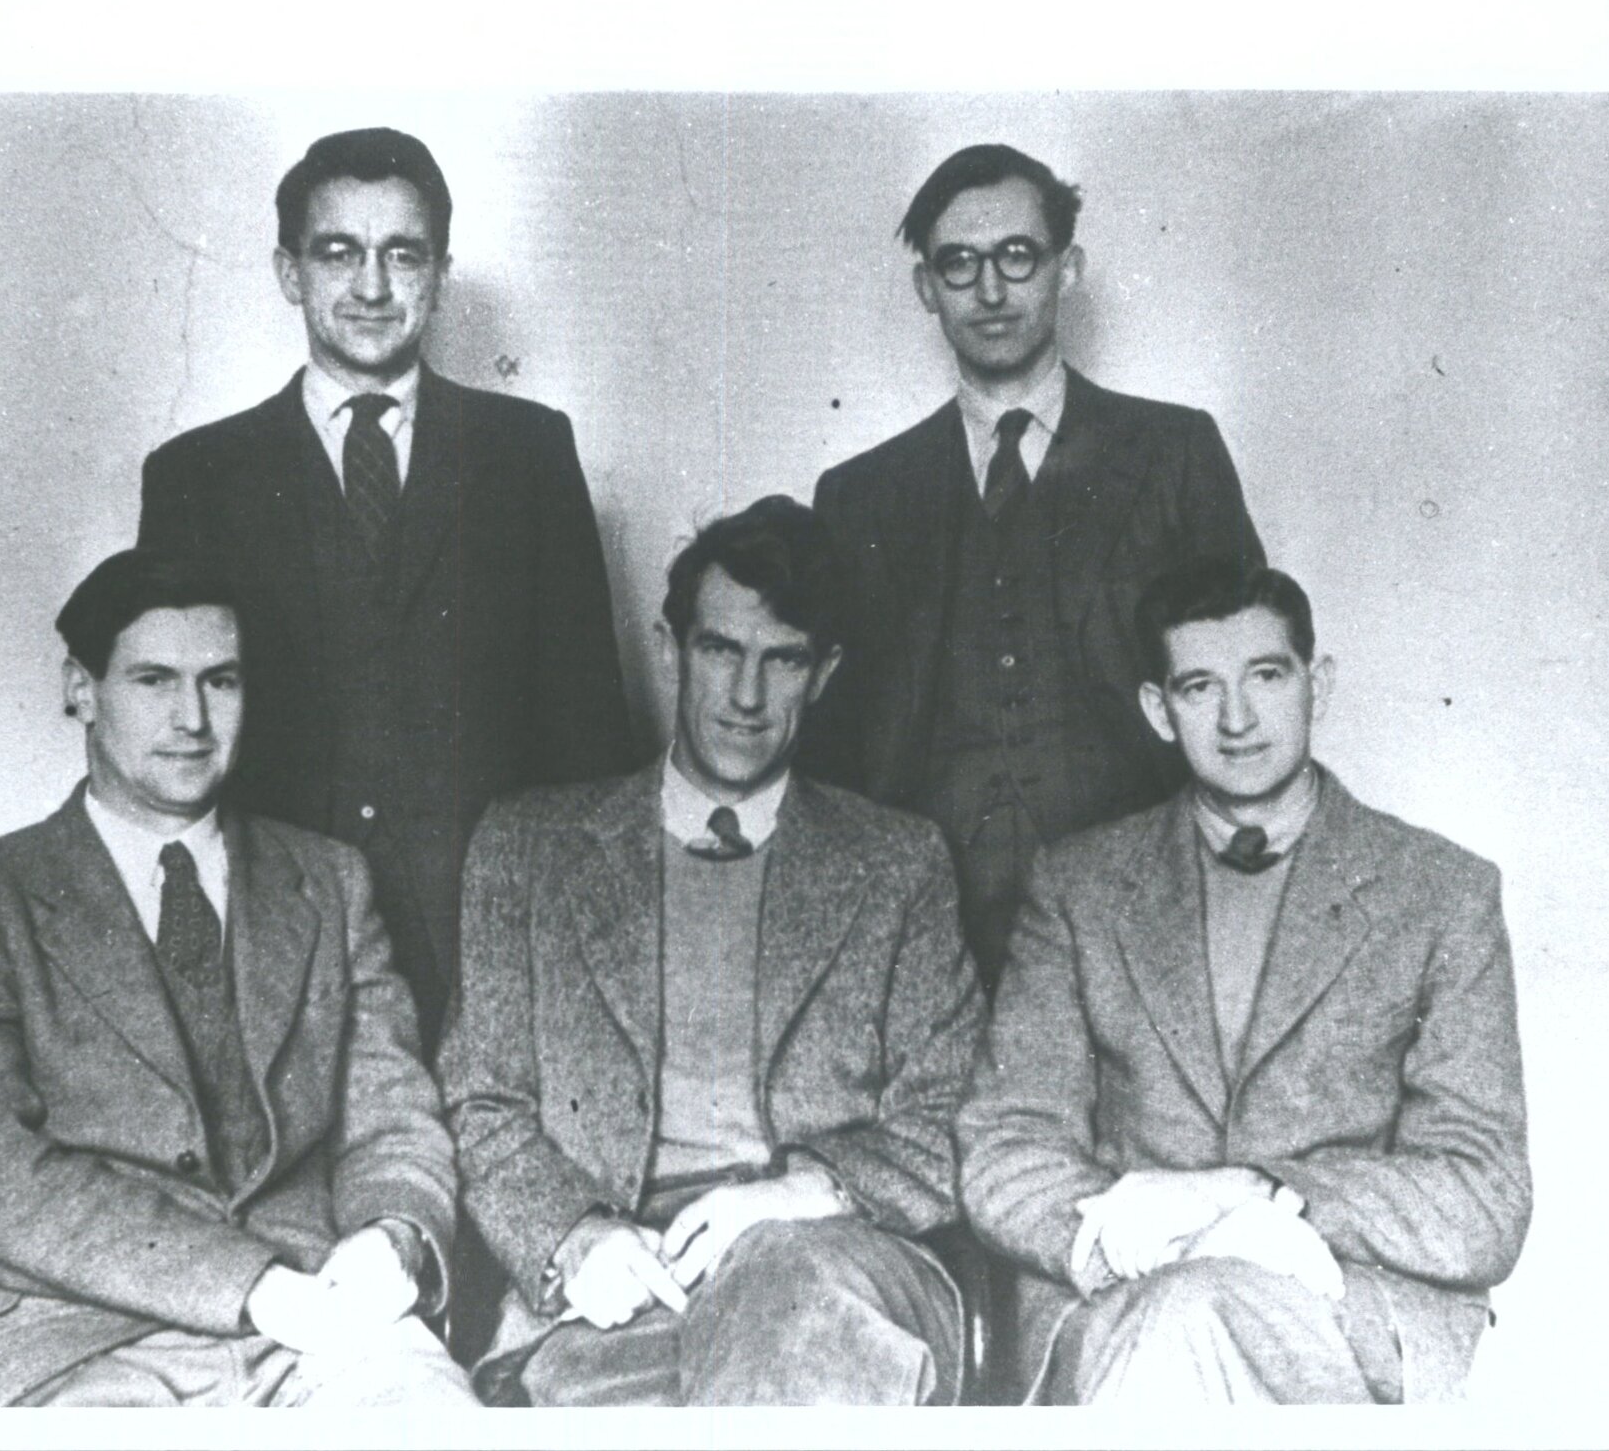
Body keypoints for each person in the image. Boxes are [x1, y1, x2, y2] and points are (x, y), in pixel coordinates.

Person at [440, 496, 985, 1405]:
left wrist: (806, 1192)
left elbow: (953, 1110)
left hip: (838, 1268)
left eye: (783, 661)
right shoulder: (527, 848)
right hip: (618, 1286)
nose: (745, 695)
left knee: (790, 1291)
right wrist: (573, 1234)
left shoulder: (897, 863)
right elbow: (480, 1098)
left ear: (824, 674)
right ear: (669, 647)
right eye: (720, 651)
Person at [0, 549, 475, 1407]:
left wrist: (395, 1235)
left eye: (222, 681)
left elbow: (391, 1115)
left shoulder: (329, 879)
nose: (192, 718)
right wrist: (248, 1286)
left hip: (325, 1317)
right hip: (77, 1332)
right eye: (153, 681)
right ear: (81, 689)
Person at [956, 561, 1531, 1404]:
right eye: (1198, 687)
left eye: (1265, 675)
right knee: (1182, 1312)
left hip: (1341, 1314)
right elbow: (1006, 1147)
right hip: (1126, 1299)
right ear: (1158, 710)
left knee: (1192, 1318)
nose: (1235, 718)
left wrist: (1272, 1197)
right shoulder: (1076, 886)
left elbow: (1484, 1198)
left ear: (1315, 684)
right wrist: (1124, 1238)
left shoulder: (1441, 892)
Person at [138, 127, 633, 1054]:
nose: (371, 286)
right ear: (289, 272)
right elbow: (171, 740)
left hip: (490, 944)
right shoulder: (197, 475)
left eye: (401, 254)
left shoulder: (528, 453)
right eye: (339, 253)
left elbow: (587, 731)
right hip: (279, 943)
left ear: (439, 273)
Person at [806, 143, 1264, 987]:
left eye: (1017, 255)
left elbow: (1245, 692)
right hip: (919, 939)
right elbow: (828, 755)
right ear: (924, 289)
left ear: (1068, 267)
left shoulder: (1173, 454)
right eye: (958, 264)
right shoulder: (859, 496)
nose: (989, 290)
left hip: (1145, 924)